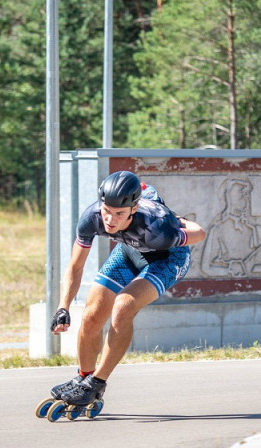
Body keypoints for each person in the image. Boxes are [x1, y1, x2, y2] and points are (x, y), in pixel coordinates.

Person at [48, 170, 206, 406]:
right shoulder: (92, 217)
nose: (110, 220)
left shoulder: (158, 226)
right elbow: (75, 266)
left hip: (167, 259)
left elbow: (200, 233)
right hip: (129, 252)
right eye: (107, 211)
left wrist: (177, 223)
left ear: (133, 209)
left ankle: (97, 383)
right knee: (91, 314)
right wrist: (63, 307)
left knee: (122, 305)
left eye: (119, 214)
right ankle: (84, 377)